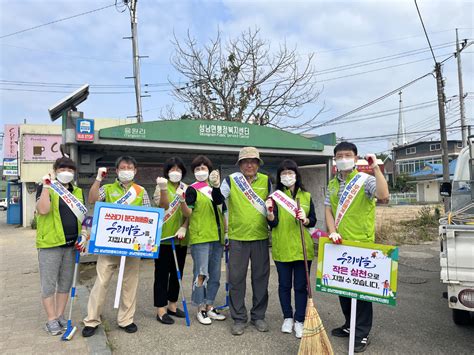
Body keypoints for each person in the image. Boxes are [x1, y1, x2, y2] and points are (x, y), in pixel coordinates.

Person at [325, 142, 389, 353]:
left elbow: (383, 196)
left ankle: (361, 334)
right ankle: (349, 325)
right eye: (339, 155)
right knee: (342, 288)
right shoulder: (333, 183)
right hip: (339, 244)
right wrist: (332, 230)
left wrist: (377, 169)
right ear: (335, 159)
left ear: (355, 157)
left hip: (361, 245)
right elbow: (328, 210)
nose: (343, 158)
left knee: (361, 293)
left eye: (347, 155)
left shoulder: (365, 180)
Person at [82, 156, 151, 337]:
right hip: (108, 245)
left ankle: (126, 319)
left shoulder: (141, 191)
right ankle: (92, 319)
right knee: (101, 282)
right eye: (123, 167)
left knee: (130, 284)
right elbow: (92, 199)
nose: (126, 170)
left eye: (130, 167)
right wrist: (98, 179)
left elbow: (148, 217)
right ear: (117, 171)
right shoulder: (107, 188)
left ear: (135, 171)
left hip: (132, 246)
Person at [211, 146, 271, 336]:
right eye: (245, 161)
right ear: (240, 164)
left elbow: (272, 205)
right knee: (236, 280)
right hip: (237, 238)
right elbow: (219, 200)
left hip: (261, 237)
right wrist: (214, 187)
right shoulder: (231, 180)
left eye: (253, 161)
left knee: (260, 279)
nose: (249, 165)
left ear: (258, 164)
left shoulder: (267, 181)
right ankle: (238, 318)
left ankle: (258, 316)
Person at [266, 159, 317, 339]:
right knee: (284, 285)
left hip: (303, 249)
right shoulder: (274, 197)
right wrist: (270, 214)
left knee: (301, 287)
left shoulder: (307, 196)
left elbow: (313, 220)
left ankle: (299, 320)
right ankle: (287, 317)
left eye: (290, 172)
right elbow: (273, 223)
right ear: (280, 177)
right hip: (283, 247)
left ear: (296, 175)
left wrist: (306, 219)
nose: (287, 176)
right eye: (284, 173)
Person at [36, 157, 86, 335]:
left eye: (71, 170)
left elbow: (83, 218)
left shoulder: (78, 191)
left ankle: (60, 315)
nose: (67, 172)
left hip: (72, 246)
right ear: (55, 170)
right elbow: (43, 210)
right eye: (63, 168)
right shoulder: (46, 187)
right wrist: (46, 187)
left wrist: (84, 236)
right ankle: (51, 319)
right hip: (50, 245)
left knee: (65, 283)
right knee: (48, 284)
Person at [180, 155, 226, 325]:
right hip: (201, 237)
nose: (201, 171)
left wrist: (216, 186)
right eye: (197, 169)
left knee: (214, 274)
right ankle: (200, 308)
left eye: (204, 168)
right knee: (201, 273)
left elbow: (222, 206)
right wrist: (182, 203)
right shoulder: (192, 189)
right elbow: (188, 212)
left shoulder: (214, 188)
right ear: (194, 172)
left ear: (209, 170)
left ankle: (209, 305)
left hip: (217, 237)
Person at [153, 157, 189, 325]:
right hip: (164, 238)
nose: (175, 173)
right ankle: (161, 309)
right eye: (172, 170)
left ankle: (172, 305)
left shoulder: (187, 188)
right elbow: (163, 206)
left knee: (177, 273)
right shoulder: (160, 186)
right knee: (161, 275)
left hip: (180, 238)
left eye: (179, 170)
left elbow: (191, 212)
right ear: (167, 172)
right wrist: (164, 190)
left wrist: (184, 226)